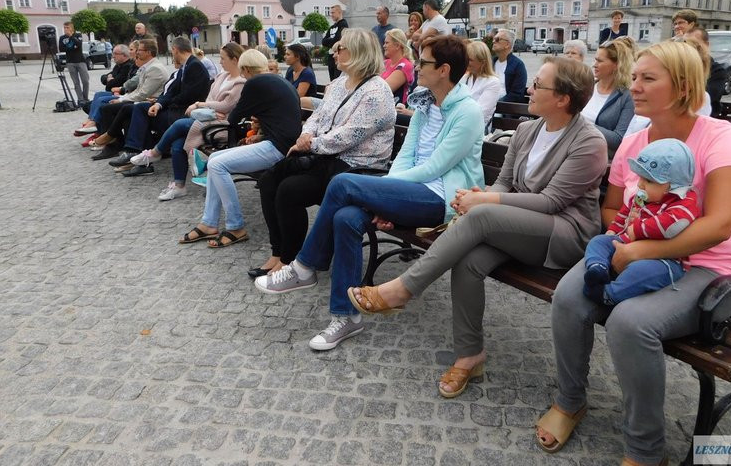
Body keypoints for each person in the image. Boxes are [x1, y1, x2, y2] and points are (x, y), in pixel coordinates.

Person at [538, 40, 731, 465]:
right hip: (630, 250)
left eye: (648, 78)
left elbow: (720, 223)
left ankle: (645, 450)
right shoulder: (635, 144)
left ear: (684, 86)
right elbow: (612, 207)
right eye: (634, 76)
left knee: (631, 324)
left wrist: (642, 250)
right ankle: (570, 400)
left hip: (705, 268)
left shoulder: (719, 138)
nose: (634, 86)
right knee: (567, 296)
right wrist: (627, 245)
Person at [348, 55, 607, 393]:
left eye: (539, 84)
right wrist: (479, 197)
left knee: (481, 213)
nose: (529, 88)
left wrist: (484, 201)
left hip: (564, 234)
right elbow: (504, 183)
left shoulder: (589, 142)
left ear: (563, 98)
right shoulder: (527, 130)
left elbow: (552, 202)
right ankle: (470, 355)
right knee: (469, 261)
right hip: (519, 227)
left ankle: (402, 290)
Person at [258, 34, 487, 356]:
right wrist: (385, 195)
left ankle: (305, 266)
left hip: (442, 197)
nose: (417, 67)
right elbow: (408, 154)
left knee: (343, 184)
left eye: (424, 63)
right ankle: (345, 316)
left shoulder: (467, 112)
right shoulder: (425, 101)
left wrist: (386, 194)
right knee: (346, 217)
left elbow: (436, 167)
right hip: (410, 189)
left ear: (445, 69)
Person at [253, 28, 396, 279]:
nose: (333, 52)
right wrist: (305, 134)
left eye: (339, 48)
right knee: (269, 180)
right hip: (327, 158)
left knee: (289, 190)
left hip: (355, 168)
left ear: (358, 53)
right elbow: (318, 117)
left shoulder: (376, 92)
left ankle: (291, 259)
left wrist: (311, 144)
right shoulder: (341, 83)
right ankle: (278, 253)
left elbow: (349, 136)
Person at [179, 52, 303, 247]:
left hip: (278, 148)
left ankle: (236, 227)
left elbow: (233, 118)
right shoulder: (277, 80)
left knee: (217, 163)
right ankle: (209, 223)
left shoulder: (255, 84)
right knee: (216, 159)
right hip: (283, 144)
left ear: (245, 70)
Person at [583, 138, 699, 305]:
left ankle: (610, 294)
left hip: (663, 259)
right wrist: (613, 231)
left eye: (649, 181)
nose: (641, 184)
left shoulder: (684, 203)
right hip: (628, 243)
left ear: (673, 186)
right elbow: (624, 212)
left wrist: (637, 229)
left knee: (642, 272)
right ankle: (597, 268)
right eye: (640, 178)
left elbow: (672, 226)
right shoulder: (642, 197)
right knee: (598, 241)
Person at [126, 42, 246, 200]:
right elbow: (211, 98)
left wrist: (200, 105)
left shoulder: (240, 82)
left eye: (223, 58)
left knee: (180, 124)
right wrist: (210, 109)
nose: (220, 61)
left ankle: (155, 153)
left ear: (235, 59)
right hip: (208, 118)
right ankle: (179, 186)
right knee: (177, 142)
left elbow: (226, 105)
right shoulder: (222, 76)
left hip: (221, 125)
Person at [105, 37, 210, 173]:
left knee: (137, 112)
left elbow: (188, 95)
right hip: (177, 109)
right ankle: (137, 154)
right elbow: (171, 92)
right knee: (138, 109)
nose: (172, 55)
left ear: (175, 50)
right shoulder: (187, 65)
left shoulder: (194, 65)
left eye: (172, 52)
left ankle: (135, 152)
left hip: (183, 113)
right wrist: (158, 104)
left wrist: (162, 104)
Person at [580, 37, 635, 157]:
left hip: (598, 156)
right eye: (595, 60)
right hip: (575, 146)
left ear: (616, 65)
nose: (594, 65)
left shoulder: (626, 96)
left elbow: (618, 139)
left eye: (600, 61)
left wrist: (581, 123)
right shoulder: (588, 85)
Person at [75, 44, 136, 137]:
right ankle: (93, 124)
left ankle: (98, 129)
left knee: (101, 103)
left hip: (121, 94)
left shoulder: (128, 66)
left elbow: (116, 83)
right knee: (93, 100)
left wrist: (110, 81)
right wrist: (108, 79)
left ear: (124, 55)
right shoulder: (118, 66)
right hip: (115, 92)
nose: (113, 56)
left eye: (116, 53)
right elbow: (103, 78)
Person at [460, 40, 504, 126]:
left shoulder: (493, 82)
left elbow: (479, 113)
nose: (466, 62)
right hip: (460, 124)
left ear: (482, 62)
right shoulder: (465, 78)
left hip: (477, 128)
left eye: (470, 60)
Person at [686, 26, 725, 117]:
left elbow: (700, 100)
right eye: (685, 44)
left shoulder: (717, 71)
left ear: (706, 45)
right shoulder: (678, 67)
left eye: (694, 44)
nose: (688, 48)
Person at [490, 29, 527, 102]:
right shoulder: (491, 62)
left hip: (506, 109)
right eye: (494, 39)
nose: (493, 41)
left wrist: (497, 104)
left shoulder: (518, 65)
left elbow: (516, 94)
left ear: (507, 44)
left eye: (497, 39)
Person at [381, 28, 415, 105]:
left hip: (396, 111)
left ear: (397, 46)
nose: (384, 46)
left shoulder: (405, 66)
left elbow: (383, 90)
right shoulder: (386, 63)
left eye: (387, 43)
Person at [59, 21, 89, 107]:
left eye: (67, 27)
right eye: (64, 28)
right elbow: (61, 48)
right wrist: (72, 47)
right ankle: (80, 100)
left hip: (80, 61)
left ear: (72, 28)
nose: (65, 29)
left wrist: (71, 37)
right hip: (70, 62)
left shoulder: (78, 35)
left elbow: (79, 44)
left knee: (85, 81)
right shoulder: (62, 38)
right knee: (76, 82)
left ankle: (85, 97)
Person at [322, 4, 348, 80]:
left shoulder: (343, 24)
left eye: (333, 13)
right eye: (331, 13)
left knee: (338, 78)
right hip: (331, 56)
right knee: (332, 79)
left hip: (339, 56)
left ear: (339, 12)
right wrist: (331, 40)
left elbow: (338, 39)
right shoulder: (332, 27)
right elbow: (324, 42)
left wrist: (330, 40)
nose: (331, 15)